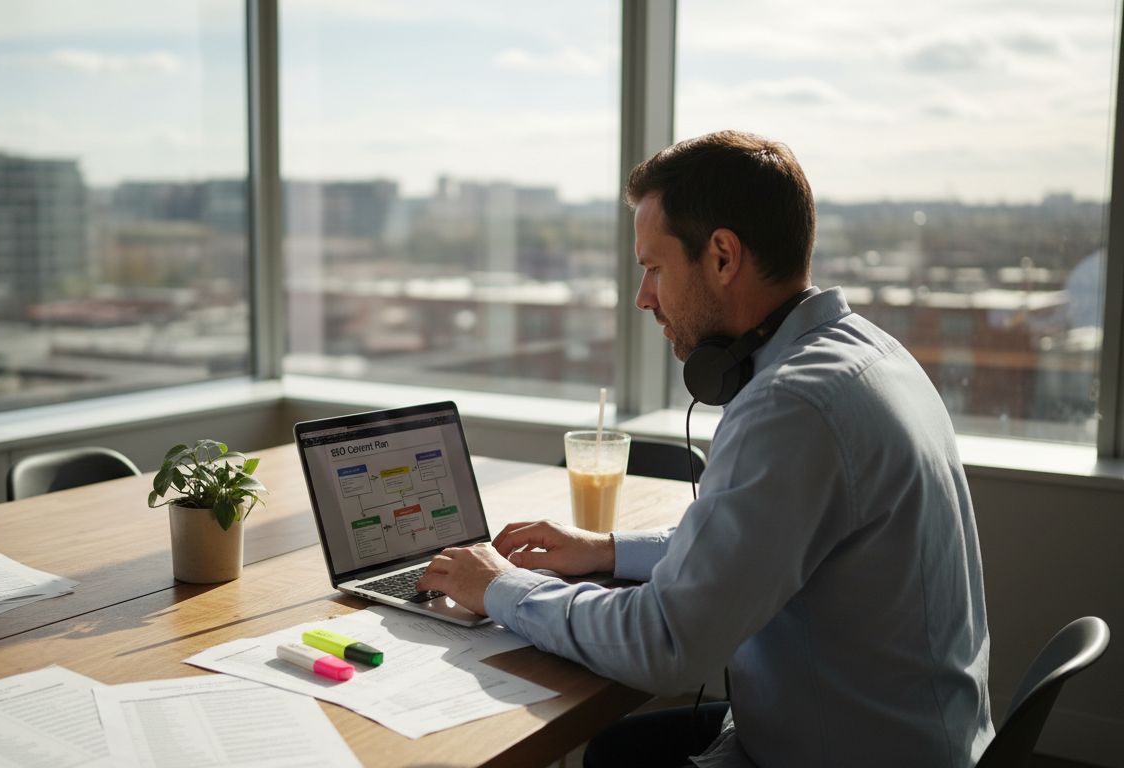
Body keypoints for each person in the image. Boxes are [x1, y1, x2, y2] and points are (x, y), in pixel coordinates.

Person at [416, 130, 993, 767]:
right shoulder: (866, 353)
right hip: (894, 731)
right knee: (615, 753)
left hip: (842, 751)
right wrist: (605, 549)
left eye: (654, 269)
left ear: (721, 256)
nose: (643, 298)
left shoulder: (791, 404)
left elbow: (664, 644)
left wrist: (502, 587)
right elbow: (755, 543)